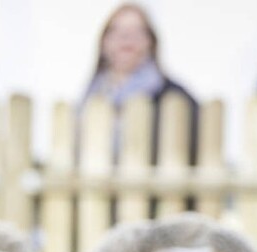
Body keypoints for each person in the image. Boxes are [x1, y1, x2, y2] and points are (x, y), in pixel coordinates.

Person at [81, 3, 199, 166]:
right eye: (116, 31)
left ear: (150, 42)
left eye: (136, 31)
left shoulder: (176, 97)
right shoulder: (90, 98)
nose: (126, 38)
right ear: (104, 42)